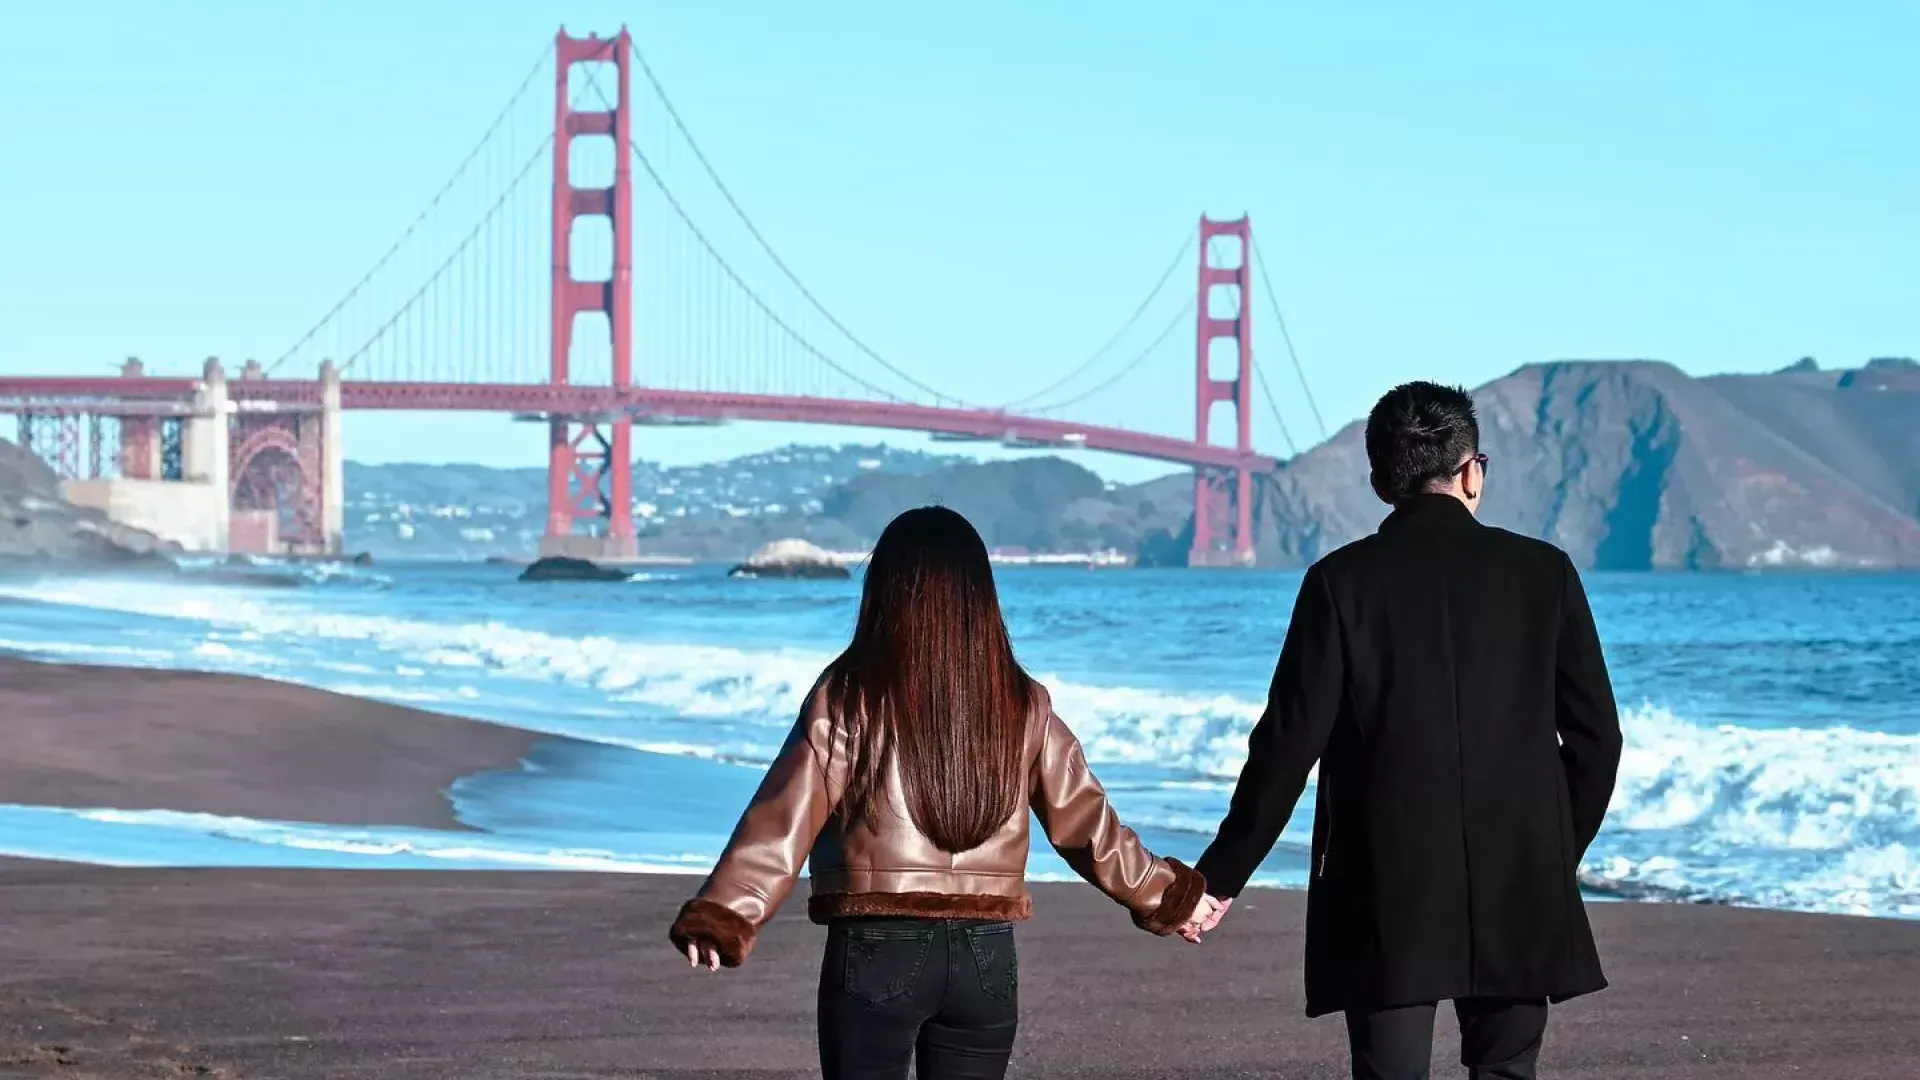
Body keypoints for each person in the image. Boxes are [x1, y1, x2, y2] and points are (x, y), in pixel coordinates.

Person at [669, 505, 1217, 1080]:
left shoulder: (851, 695)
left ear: (886, 589)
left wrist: (726, 913)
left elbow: (785, 816)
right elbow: (1086, 823)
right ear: (980, 596)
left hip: (878, 948)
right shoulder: (1023, 702)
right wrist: (1167, 896)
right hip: (986, 958)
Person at [1191, 381, 1623, 1080]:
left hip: (1384, 885)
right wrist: (1550, 851)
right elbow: (1598, 741)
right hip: (1519, 880)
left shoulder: (1339, 582)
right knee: (1507, 1070)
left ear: (1379, 479)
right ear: (1471, 469)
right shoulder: (1544, 574)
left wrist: (1221, 875)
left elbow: (1286, 747)